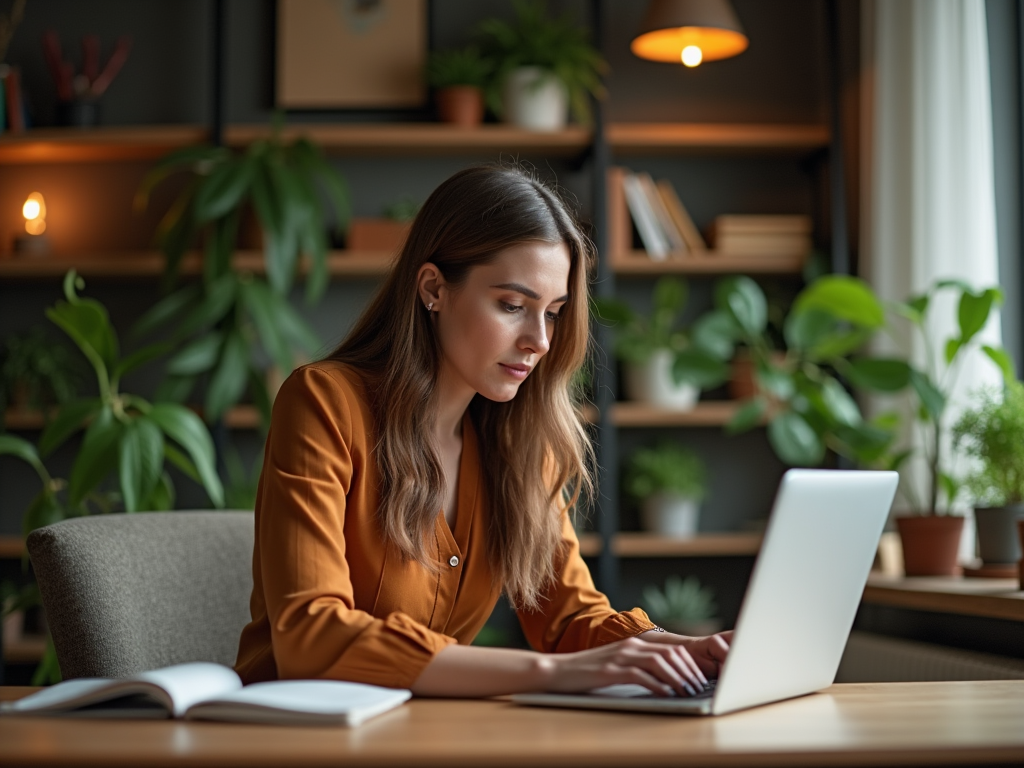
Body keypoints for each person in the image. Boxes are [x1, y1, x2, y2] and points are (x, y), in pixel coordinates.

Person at [235, 165, 732, 698]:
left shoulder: (519, 440)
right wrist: (550, 675)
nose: (539, 341)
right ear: (433, 289)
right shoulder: (325, 403)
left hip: (426, 737)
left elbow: (568, 618)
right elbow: (312, 636)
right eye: (513, 306)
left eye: (555, 313)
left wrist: (681, 649)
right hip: (294, 738)